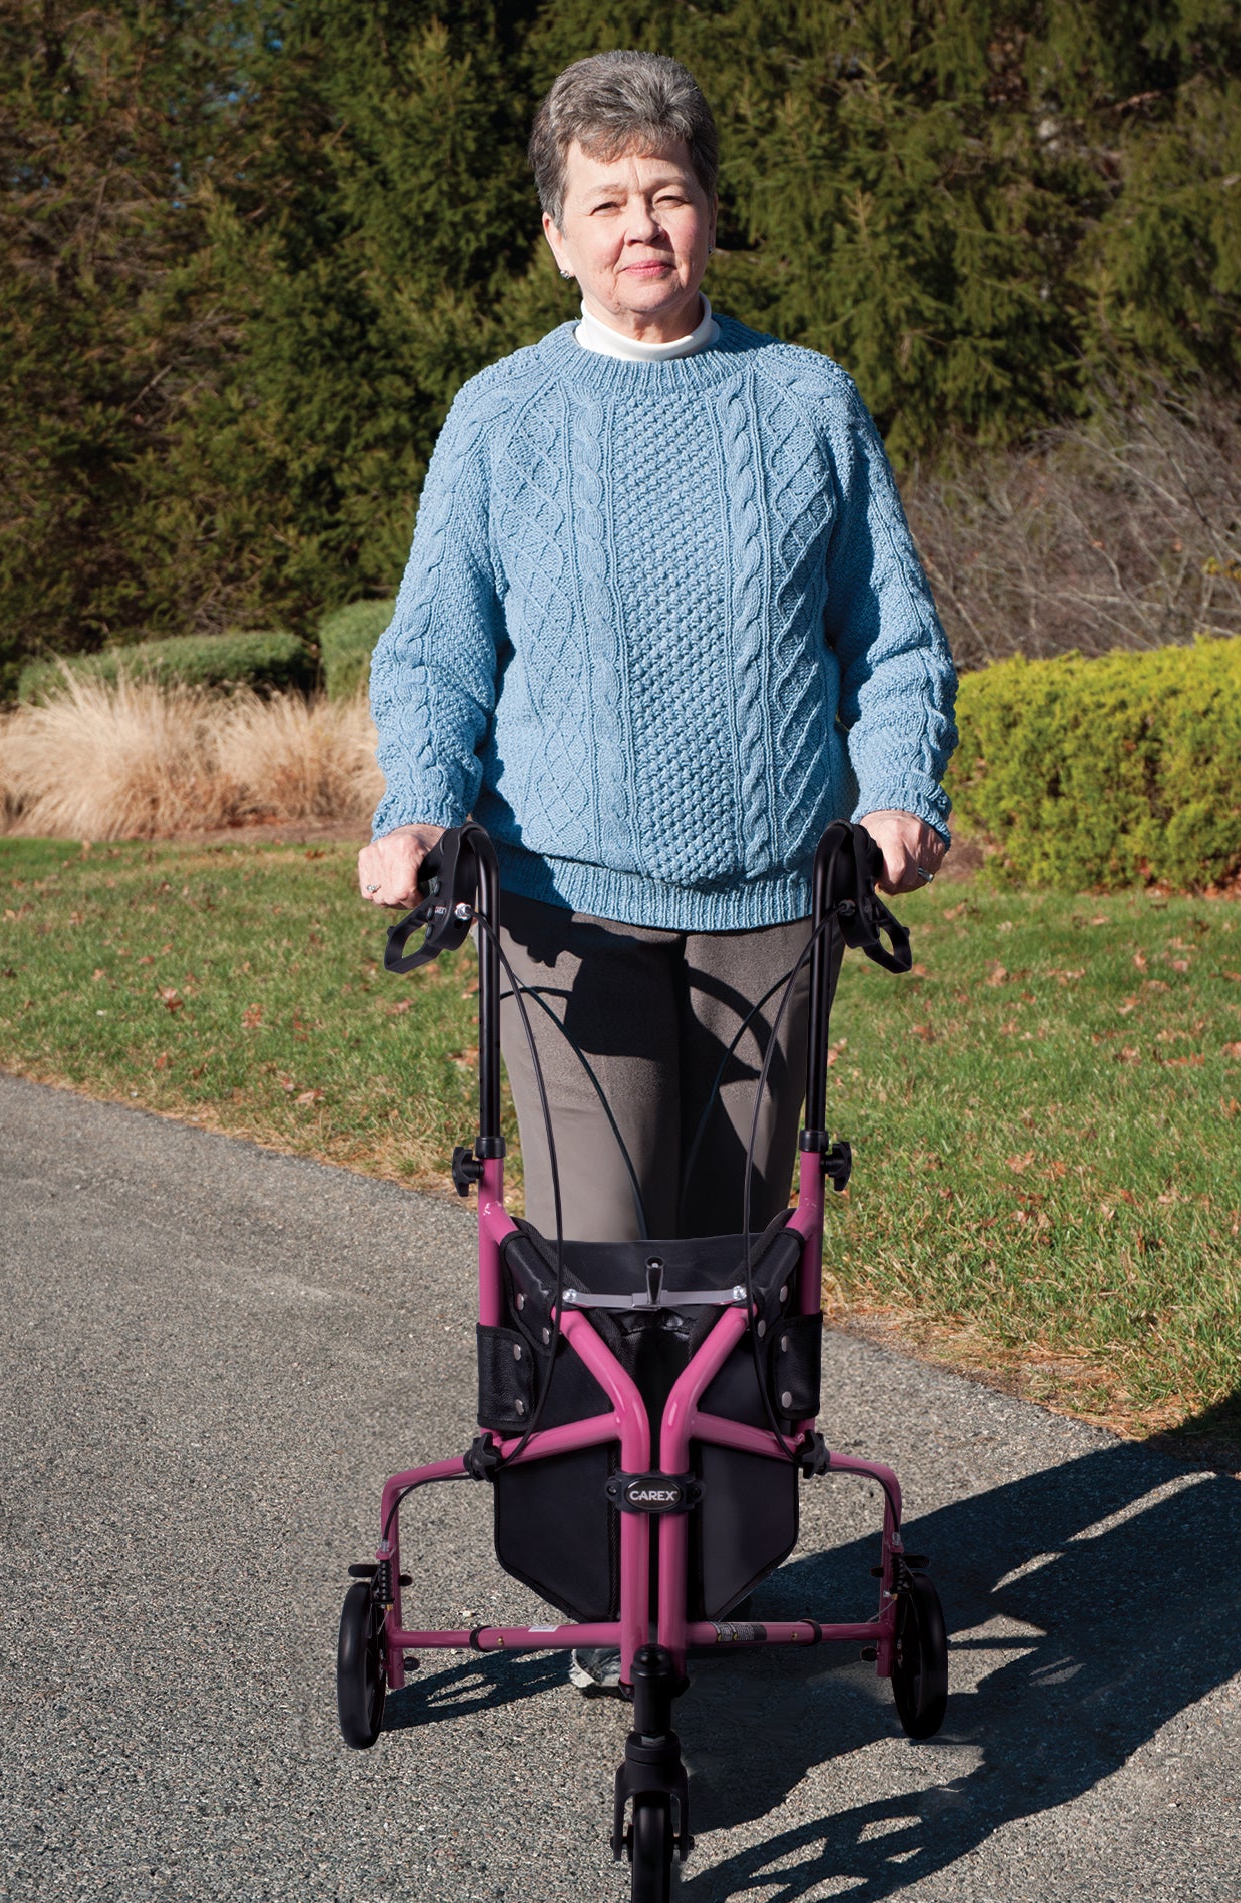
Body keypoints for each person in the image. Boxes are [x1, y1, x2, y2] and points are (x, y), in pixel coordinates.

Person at [360, 46, 955, 1430]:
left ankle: (722, 1569)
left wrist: (900, 794)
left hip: (779, 902)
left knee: (745, 1265)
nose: (642, 226)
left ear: (709, 212)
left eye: (669, 193)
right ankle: (606, 1592)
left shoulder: (805, 399)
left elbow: (898, 636)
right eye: (608, 199)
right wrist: (419, 811)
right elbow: (440, 653)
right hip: (569, 917)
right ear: (557, 235)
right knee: (602, 1264)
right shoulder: (502, 416)